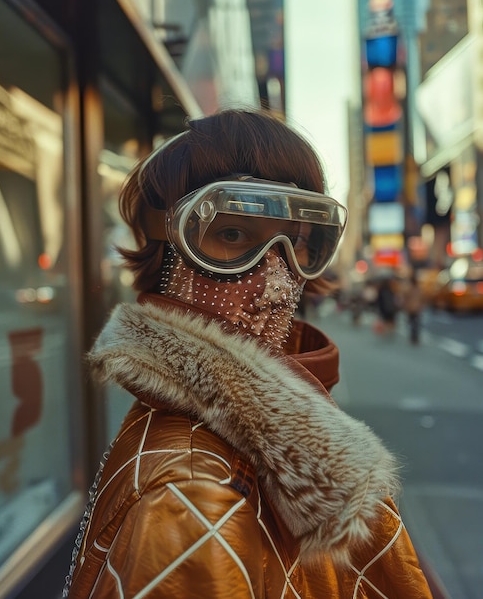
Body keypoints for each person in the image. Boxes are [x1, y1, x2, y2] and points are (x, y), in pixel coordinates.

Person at [64, 110, 433, 598]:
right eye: (233, 235)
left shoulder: (252, 431)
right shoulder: (192, 497)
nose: (278, 284)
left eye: (297, 244)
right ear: (167, 252)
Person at [402, 271, 425, 344]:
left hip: (411, 308)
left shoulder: (408, 289)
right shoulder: (419, 289)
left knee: (412, 323)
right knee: (416, 323)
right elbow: (423, 299)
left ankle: (413, 337)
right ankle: (415, 337)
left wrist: (405, 306)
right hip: (417, 308)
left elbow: (405, 298)